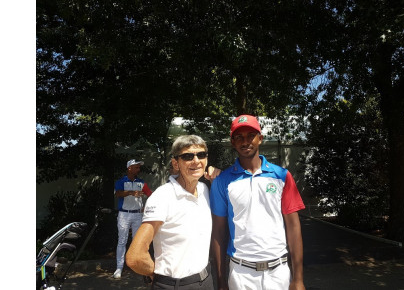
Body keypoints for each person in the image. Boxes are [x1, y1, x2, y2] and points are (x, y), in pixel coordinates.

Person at [210, 115, 306, 290]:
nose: (245, 141)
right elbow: (218, 232)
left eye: (250, 135)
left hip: (278, 272)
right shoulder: (222, 181)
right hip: (240, 274)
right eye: (239, 137)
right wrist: (221, 281)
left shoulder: (282, 176)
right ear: (233, 142)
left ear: (260, 139)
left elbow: (293, 226)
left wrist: (298, 279)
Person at [126, 135, 220, 289]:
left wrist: (216, 177)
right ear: (176, 163)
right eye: (188, 156)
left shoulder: (204, 189)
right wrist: (158, 277)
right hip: (176, 285)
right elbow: (134, 257)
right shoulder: (163, 196)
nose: (196, 161)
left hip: (207, 281)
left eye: (201, 155)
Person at [113, 159, 153, 279]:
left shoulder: (141, 182)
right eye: (136, 167)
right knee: (122, 241)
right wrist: (130, 192)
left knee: (137, 241)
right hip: (124, 214)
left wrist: (146, 206)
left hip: (137, 215)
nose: (138, 169)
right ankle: (119, 268)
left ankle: (137, 267)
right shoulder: (121, 181)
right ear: (129, 168)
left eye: (138, 167)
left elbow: (151, 195)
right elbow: (118, 193)